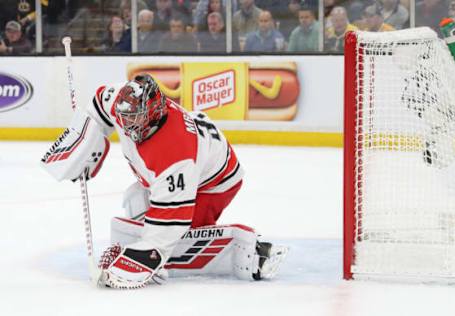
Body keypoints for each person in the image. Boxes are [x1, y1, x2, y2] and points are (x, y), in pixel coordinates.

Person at [41, 74, 288, 289]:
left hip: (214, 183)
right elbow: (97, 109)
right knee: (136, 204)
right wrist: (85, 142)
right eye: (124, 119)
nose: (127, 127)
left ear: (154, 113)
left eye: (135, 120)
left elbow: (169, 225)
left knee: (179, 241)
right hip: (175, 169)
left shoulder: (175, 153)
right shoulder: (121, 100)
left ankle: (252, 251)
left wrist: (149, 257)